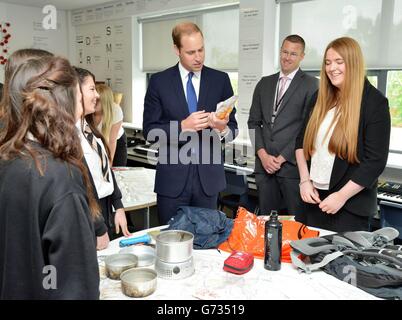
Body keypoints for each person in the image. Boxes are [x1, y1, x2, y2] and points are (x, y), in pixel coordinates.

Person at [0, 55, 100, 299]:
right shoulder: (60, 178)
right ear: (64, 103)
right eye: (78, 98)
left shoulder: (8, 158)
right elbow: (75, 286)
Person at [143, 22, 238, 224]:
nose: (198, 57)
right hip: (171, 182)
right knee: (171, 242)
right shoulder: (159, 82)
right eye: (191, 52)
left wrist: (222, 129)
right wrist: (182, 127)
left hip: (208, 182)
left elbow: (233, 129)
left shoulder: (220, 80)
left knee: (208, 242)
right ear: (176, 50)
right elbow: (149, 131)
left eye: (201, 50)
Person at [295, 37, 391, 232]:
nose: (332, 68)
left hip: (349, 208)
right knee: (304, 260)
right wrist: (304, 181)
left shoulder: (374, 103)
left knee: (341, 263)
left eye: (339, 62)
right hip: (312, 200)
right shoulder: (319, 98)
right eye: (328, 63)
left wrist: (341, 196)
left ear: (353, 63)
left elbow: (375, 162)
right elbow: (300, 143)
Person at [247, 35, 318, 221]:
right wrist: (263, 155)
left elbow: (308, 129)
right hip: (265, 169)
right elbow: (253, 123)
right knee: (266, 226)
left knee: (296, 226)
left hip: (292, 170)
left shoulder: (312, 85)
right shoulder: (264, 83)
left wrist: (281, 158)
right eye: (284, 52)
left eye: (293, 54)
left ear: (302, 56)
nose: (287, 57)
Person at [75, 67, 130, 242]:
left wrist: (118, 205)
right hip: (90, 215)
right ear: (75, 92)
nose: (97, 95)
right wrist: (98, 227)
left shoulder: (87, 129)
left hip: (104, 208)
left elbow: (105, 169)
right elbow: (81, 188)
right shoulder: (68, 138)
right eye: (91, 89)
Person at [94, 83, 127, 166]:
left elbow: (112, 142)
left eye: (98, 100)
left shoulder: (115, 111)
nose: (94, 102)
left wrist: (109, 163)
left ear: (105, 101)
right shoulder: (88, 110)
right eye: (93, 99)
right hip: (97, 141)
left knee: (117, 170)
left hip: (116, 141)